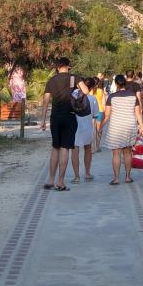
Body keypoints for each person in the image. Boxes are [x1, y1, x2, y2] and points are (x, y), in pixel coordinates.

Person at [39, 57, 87, 191]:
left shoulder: (51, 80)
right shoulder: (74, 77)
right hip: (69, 116)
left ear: (57, 67)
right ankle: (60, 181)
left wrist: (43, 120)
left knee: (55, 147)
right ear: (68, 66)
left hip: (55, 117)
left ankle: (50, 179)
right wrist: (77, 95)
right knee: (65, 148)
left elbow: (45, 101)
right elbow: (86, 91)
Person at [98, 73, 143, 184]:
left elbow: (107, 115)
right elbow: (138, 113)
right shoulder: (133, 96)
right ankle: (128, 177)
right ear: (125, 83)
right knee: (128, 152)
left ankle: (116, 178)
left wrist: (100, 126)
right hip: (130, 126)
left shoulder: (112, 97)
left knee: (116, 153)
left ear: (116, 84)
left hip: (116, 127)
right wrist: (142, 126)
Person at [69, 77, 100, 183]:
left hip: (74, 126)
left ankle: (76, 177)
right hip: (87, 127)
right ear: (91, 87)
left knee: (75, 150)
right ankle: (87, 173)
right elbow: (95, 115)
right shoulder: (92, 98)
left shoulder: (73, 94)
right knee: (88, 149)